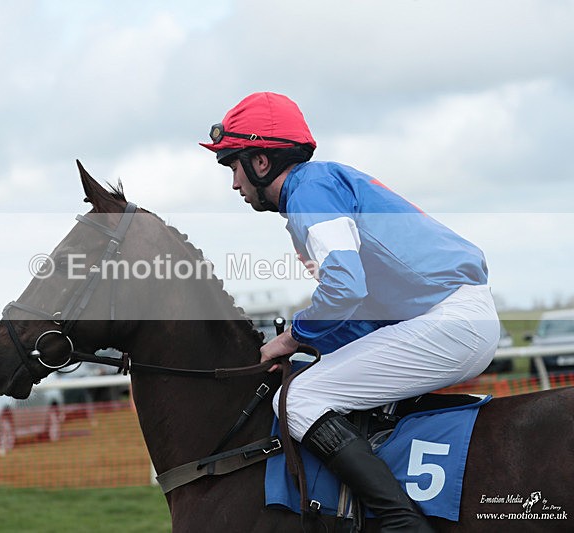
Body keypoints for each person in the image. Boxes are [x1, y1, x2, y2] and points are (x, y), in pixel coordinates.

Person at [201, 92, 499, 532]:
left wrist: (288, 339)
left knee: (298, 399)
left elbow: (344, 288)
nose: (234, 184)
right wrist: (313, 348)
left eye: (233, 166)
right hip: (450, 317)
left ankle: (403, 523)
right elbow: (360, 307)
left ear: (260, 162)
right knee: (314, 380)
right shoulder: (322, 186)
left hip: (448, 322)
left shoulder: (310, 191)